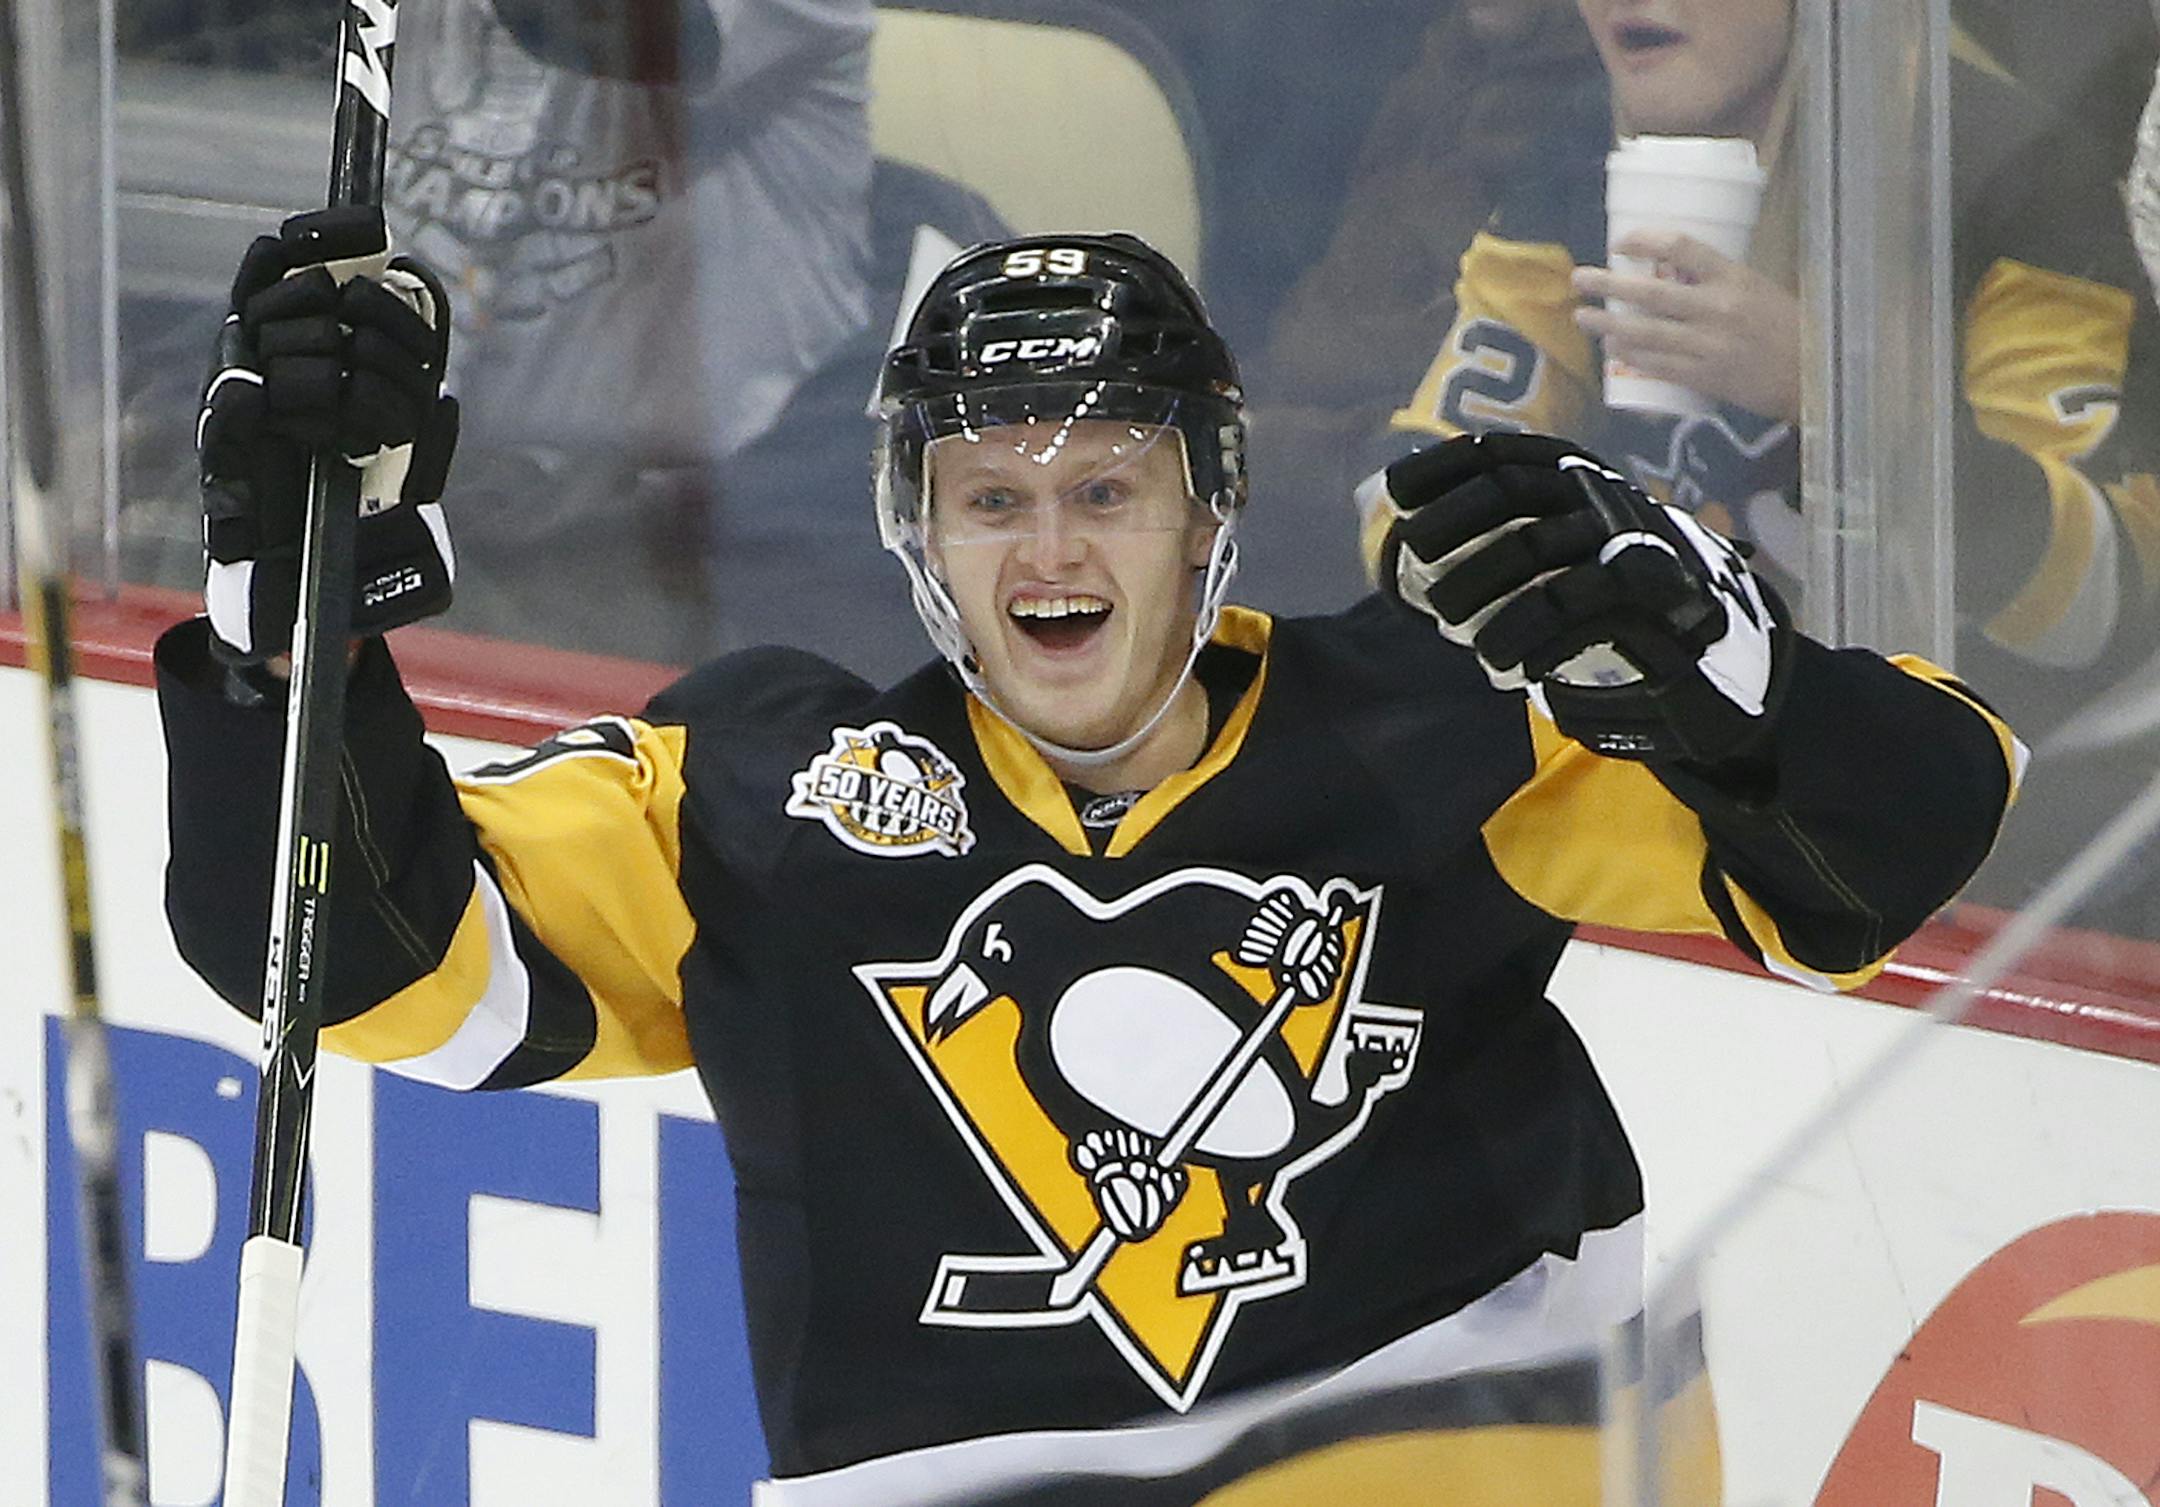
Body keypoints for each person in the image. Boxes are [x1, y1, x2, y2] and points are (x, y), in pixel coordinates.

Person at [159, 214, 2018, 1502]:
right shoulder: (763, 783)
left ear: (1209, 506)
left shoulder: (1437, 717)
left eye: (1105, 485)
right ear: (923, 531)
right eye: (995, 495)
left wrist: (1725, 661)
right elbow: (374, 966)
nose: (1052, 544)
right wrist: (282, 616)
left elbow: (1881, 864)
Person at [1385, 0, 2160, 930]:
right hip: (1650, 790)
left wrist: (1832, 391)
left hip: (1960, 848)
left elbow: (2104, 603)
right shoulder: (1574, 148)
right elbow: (1409, 497)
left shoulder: (2003, 163)